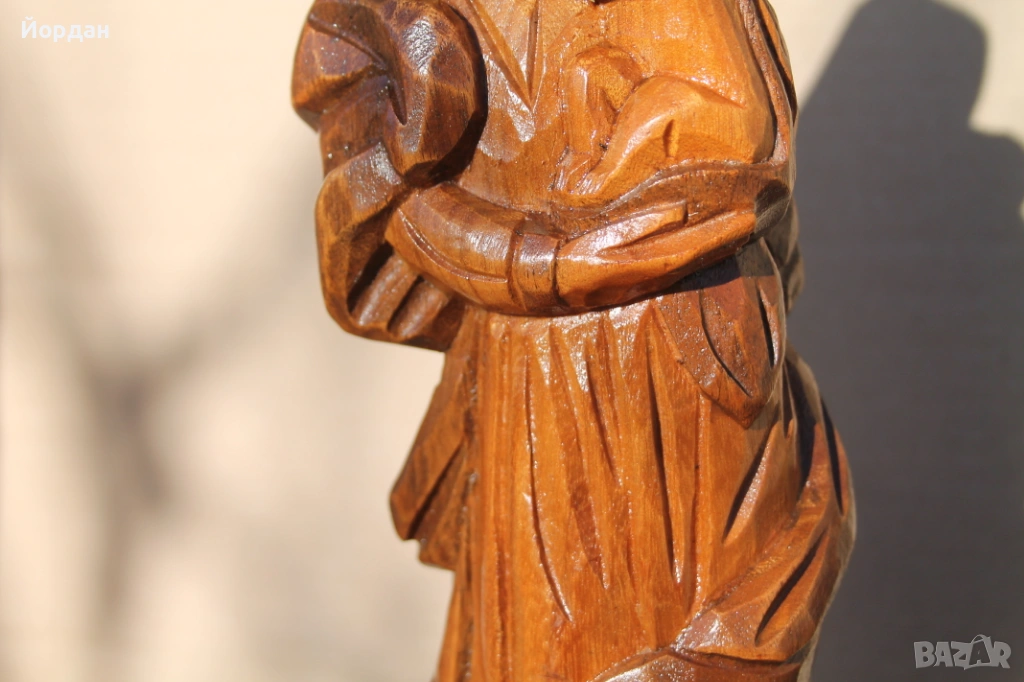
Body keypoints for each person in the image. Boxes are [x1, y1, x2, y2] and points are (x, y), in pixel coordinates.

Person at [292, 0, 854, 678]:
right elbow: (372, 157)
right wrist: (531, 257)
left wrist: (556, 257)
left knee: (674, 625)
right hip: (531, 384)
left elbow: (740, 145)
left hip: (676, 366)